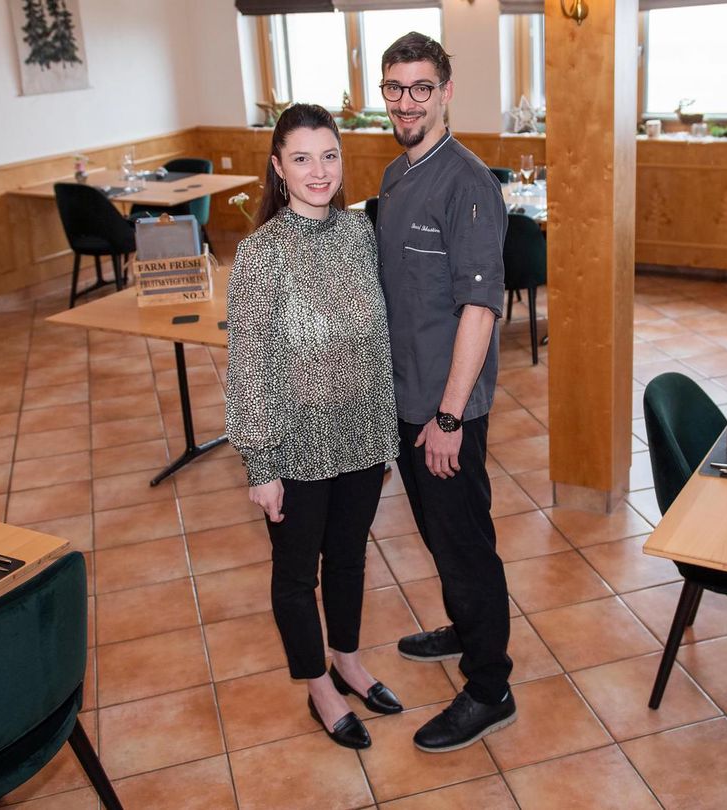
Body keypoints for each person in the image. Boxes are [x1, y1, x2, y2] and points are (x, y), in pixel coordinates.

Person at [224, 103, 403, 751]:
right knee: (298, 576)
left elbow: (374, 341)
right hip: (295, 446)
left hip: (360, 434)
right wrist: (260, 465)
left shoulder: (359, 235)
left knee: (351, 557)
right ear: (278, 167)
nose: (318, 170)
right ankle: (319, 686)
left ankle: (348, 659)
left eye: (328, 155)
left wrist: (386, 433)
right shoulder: (260, 255)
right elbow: (246, 365)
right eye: (301, 158)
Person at [374, 33, 515, 752]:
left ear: (446, 92)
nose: (406, 101)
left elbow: (481, 309)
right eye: (394, 87)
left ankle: (490, 685)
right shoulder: (398, 175)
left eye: (420, 87)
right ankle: (464, 630)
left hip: (445, 410)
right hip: (405, 402)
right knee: (437, 536)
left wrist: (450, 417)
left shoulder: (468, 184)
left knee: (465, 547)